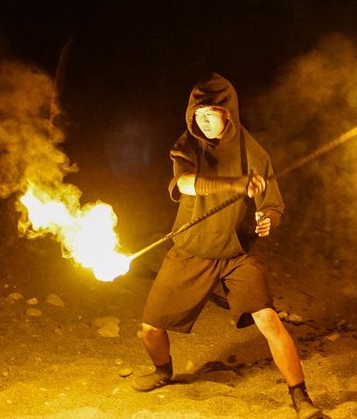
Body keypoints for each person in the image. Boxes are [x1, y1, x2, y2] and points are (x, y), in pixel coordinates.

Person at [134, 72, 323, 419]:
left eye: (211, 113)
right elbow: (186, 184)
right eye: (198, 114)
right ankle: (163, 371)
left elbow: (273, 204)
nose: (203, 121)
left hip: (237, 252)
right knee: (149, 329)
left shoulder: (253, 151)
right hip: (192, 247)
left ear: (228, 113)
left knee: (269, 321)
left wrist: (268, 219)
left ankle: (301, 399)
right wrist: (235, 184)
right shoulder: (186, 146)